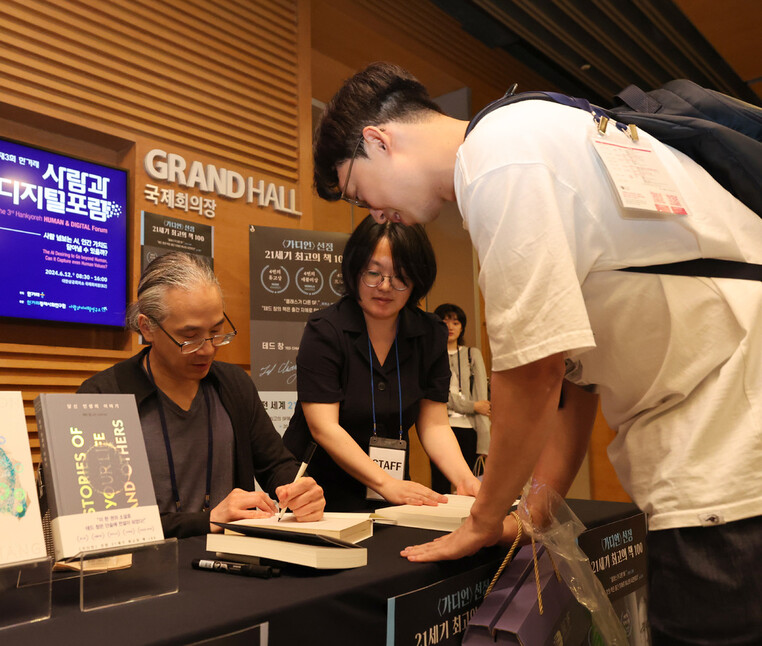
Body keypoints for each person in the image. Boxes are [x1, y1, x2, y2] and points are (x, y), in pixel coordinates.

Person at [312, 61, 762, 643]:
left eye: (357, 190)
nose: (375, 214)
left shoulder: (503, 157)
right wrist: (533, 512)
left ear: (378, 140)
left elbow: (532, 370)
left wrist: (480, 520)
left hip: (725, 454)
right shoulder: (535, 133)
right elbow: (576, 377)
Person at [79, 252, 325, 538]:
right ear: (148, 328)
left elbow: (275, 465)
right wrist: (205, 521)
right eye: (190, 336)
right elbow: (100, 523)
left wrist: (299, 490)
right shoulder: (102, 398)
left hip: (233, 566)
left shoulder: (233, 384)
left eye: (217, 331)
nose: (207, 349)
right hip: (142, 570)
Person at [283, 215, 481, 512]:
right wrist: (386, 483)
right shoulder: (325, 330)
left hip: (393, 492)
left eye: (400, 276)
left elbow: (435, 423)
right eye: (373, 273)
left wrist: (465, 480)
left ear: (417, 279)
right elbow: (324, 427)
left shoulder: (430, 333)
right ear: (354, 271)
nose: (385, 286)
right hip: (319, 494)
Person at [429, 303, 490, 493]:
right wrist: (472, 406)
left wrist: (485, 443)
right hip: (438, 428)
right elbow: (439, 395)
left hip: (468, 430)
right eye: (445, 321)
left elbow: (484, 403)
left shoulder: (473, 354)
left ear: (462, 326)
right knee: (439, 486)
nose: (450, 326)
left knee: (468, 486)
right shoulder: (430, 356)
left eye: (456, 322)